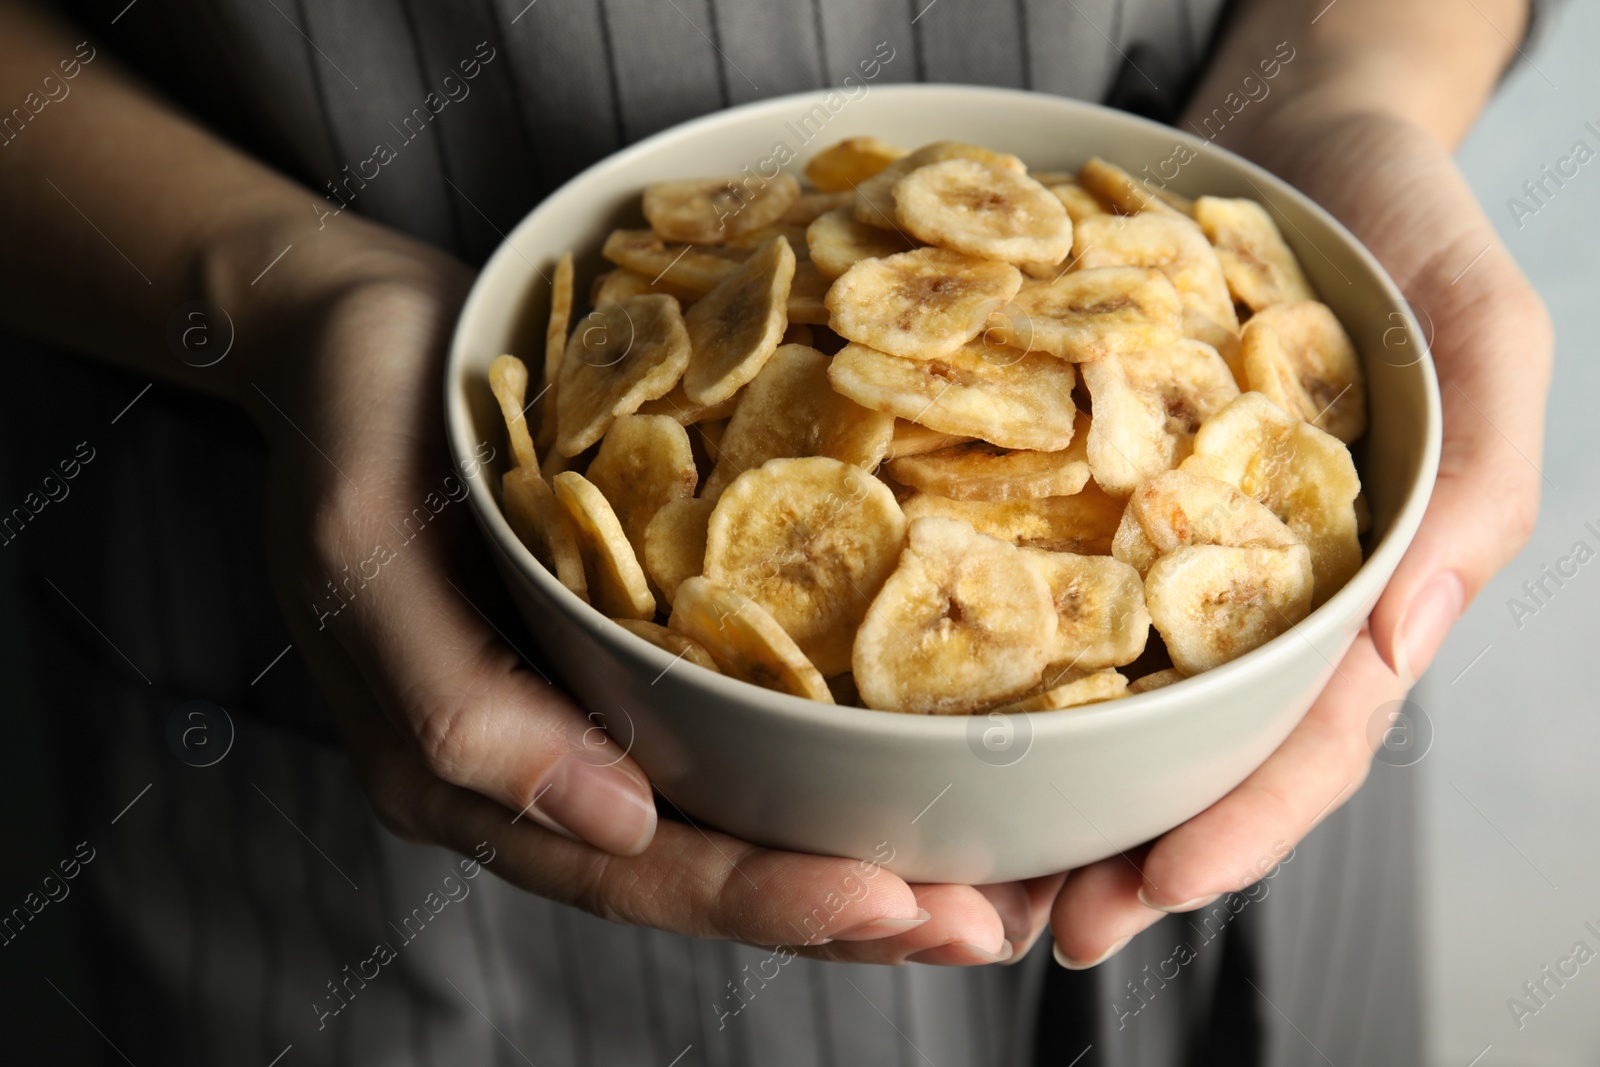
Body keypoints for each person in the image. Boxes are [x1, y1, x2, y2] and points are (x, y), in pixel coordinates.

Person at [0, 0, 1553, 1063]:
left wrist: (1349, 86)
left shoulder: (1204, 457)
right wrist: (264, 291)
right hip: (329, 736)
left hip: (1233, 708)